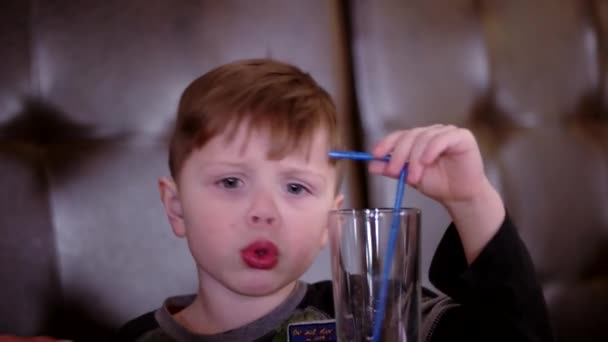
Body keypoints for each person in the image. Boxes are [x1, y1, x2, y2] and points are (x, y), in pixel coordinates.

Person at [117, 58, 553, 341]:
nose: (264, 212)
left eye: (295, 187)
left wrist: (471, 198)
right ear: (176, 208)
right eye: (231, 182)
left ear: (330, 218)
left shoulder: (375, 317)